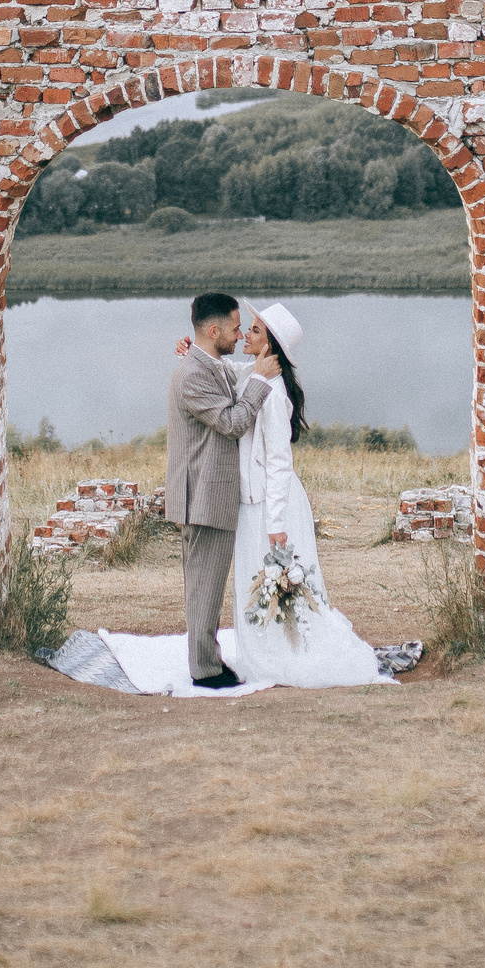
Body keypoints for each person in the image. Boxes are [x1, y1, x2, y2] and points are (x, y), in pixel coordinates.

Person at [226, 304, 393, 689]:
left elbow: (280, 463)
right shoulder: (256, 375)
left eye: (253, 331)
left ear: (270, 345)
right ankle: (268, 651)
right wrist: (191, 354)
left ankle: (288, 655)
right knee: (259, 583)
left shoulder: (272, 391)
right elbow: (230, 373)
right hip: (254, 504)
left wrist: (276, 524)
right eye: (247, 329)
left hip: (272, 505)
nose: (244, 336)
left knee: (278, 582)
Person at [165, 293, 277, 689]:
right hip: (203, 496)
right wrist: (263, 381)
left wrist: (263, 364)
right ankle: (205, 671)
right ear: (214, 332)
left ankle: (207, 659)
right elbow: (232, 422)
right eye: (235, 328)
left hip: (208, 493)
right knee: (203, 586)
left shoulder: (207, 363)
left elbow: (235, 375)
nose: (241, 333)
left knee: (205, 584)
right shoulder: (194, 374)